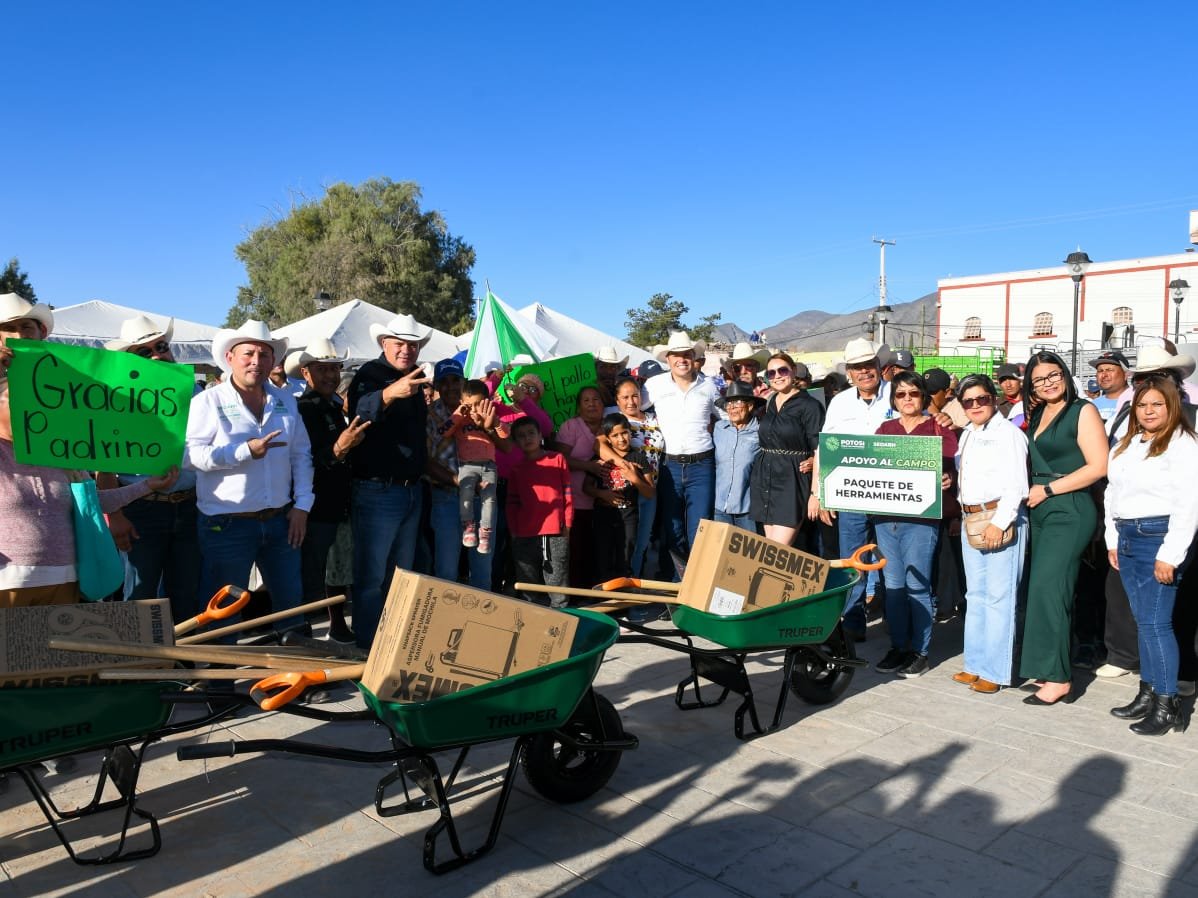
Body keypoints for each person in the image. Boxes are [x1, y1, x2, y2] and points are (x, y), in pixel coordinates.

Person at [0, 295, 180, 607]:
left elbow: (88, 500)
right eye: (7, 329)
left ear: (42, 333)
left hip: (66, 575)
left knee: (60, 657)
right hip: (8, 579)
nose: (18, 336)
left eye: (26, 326)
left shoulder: (67, 412)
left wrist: (146, 485)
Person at [185, 320, 313, 636]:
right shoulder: (207, 402)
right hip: (226, 523)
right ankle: (218, 682)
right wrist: (242, 452)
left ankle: (296, 680)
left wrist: (303, 505)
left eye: (264, 354)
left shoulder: (285, 401)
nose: (257, 361)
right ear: (230, 357)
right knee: (224, 610)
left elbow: (301, 454)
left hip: (279, 519)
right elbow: (189, 457)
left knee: (291, 605)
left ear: (273, 361)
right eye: (249, 353)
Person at [1104, 375, 1198, 735]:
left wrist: (1171, 554)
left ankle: (1167, 702)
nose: (1148, 410)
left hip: (1158, 537)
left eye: (1156, 404)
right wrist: (1113, 539)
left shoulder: (1183, 444)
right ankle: (1148, 690)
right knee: (1143, 621)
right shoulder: (1126, 445)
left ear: (1171, 405)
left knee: (1157, 623)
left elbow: (1188, 503)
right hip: (1127, 536)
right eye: (1142, 405)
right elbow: (1112, 494)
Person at [98, 314, 204, 622]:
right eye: (145, 352)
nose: (158, 354)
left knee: (185, 592)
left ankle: (182, 665)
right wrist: (114, 516)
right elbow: (104, 467)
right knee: (139, 594)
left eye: (161, 346)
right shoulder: (114, 401)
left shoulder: (196, 394)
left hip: (190, 506)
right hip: (140, 509)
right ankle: (139, 666)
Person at [1019, 350, 1108, 705]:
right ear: (1032, 386)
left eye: (1054, 374)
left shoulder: (1082, 410)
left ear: (1066, 374)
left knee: (1049, 588)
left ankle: (1059, 678)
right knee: (1042, 590)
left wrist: (1050, 489)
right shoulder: (1039, 412)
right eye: (1039, 379)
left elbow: (1099, 466)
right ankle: (1045, 666)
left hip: (1069, 507)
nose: (1048, 382)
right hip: (1041, 507)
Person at [346, 313, 432, 650]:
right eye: (399, 344)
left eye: (412, 345)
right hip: (378, 488)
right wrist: (390, 393)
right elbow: (359, 411)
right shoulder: (369, 374)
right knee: (371, 576)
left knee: (401, 574)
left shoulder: (418, 377)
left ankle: (392, 641)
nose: (406, 350)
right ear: (385, 344)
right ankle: (367, 644)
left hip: (409, 489)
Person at [871, 371, 958, 678]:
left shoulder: (937, 426)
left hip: (921, 520)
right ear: (893, 399)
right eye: (901, 394)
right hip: (886, 520)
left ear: (924, 396)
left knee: (917, 586)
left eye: (914, 394)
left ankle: (920, 651)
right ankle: (898, 646)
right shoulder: (885, 428)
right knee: (893, 587)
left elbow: (953, 457)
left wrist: (950, 477)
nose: (907, 399)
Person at [810, 338, 892, 641]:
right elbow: (825, 448)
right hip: (852, 497)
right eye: (857, 367)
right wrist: (820, 492)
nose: (864, 372)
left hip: (891, 497)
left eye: (869, 365)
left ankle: (893, 621)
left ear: (879, 366)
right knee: (852, 560)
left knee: (890, 561)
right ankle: (853, 621)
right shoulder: (841, 402)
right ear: (850, 373)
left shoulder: (898, 396)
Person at [952, 374, 1029, 693]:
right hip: (972, 518)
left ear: (993, 399)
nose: (975, 406)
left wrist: (1002, 521)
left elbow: (1017, 484)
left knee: (999, 597)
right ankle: (975, 663)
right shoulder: (967, 434)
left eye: (981, 398)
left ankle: (995, 671)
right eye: (968, 401)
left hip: (998, 517)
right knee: (976, 596)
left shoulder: (1008, 434)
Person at [294, 337, 369, 643]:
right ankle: (309, 640)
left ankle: (336, 628)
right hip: (316, 506)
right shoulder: (302, 409)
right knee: (313, 576)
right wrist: (341, 448)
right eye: (321, 368)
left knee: (337, 570)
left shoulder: (335, 406)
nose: (330, 375)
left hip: (340, 501)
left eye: (334, 368)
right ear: (305, 373)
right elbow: (308, 460)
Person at [645, 331, 719, 569]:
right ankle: (676, 582)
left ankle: (699, 579)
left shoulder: (709, 386)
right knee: (672, 526)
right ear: (667, 359)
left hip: (702, 464)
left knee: (701, 526)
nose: (682, 359)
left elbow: (727, 416)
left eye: (686, 354)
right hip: (670, 465)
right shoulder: (654, 385)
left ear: (693, 357)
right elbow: (631, 406)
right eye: (676, 355)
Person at [751, 352, 823, 548]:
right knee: (769, 549)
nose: (777, 376)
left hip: (792, 481)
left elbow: (819, 450)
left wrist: (815, 495)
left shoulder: (810, 405)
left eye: (782, 370)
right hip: (766, 480)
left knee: (776, 551)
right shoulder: (771, 402)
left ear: (793, 371)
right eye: (771, 373)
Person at [436, 379, 511, 554]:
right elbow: (444, 431)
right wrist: (458, 413)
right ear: (462, 403)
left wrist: (492, 424)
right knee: (466, 495)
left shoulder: (492, 417)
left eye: (478, 404)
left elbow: (506, 436)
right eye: (469, 405)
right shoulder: (460, 420)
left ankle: (485, 533)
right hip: (467, 465)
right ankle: (468, 527)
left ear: (488, 401)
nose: (474, 409)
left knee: (489, 499)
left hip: (488, 466)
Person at [506, 416, 573, 607]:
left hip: (555, 531)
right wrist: (513, 531)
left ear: (540, 435)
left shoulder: (557, 459)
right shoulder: (516, 469)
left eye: (531, 433)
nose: (527, 438)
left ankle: (561, 617)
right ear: (516, 442)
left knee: (557, 578)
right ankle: (533, 620)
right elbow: (512, 503)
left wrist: (567, 523)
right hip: (524, 532)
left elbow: (567, 493)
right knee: (528, 581)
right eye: (521, 436)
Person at [587, 413, 655, 581]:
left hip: (629, 516)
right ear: (608, 439)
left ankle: (623, 599)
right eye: (615, 435)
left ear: (630, 433)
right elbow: (586, 487)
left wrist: (634, 478)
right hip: (603, 515)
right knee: (603, 556)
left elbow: (650, 493)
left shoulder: (639, 458)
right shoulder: (601, 459)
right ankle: (604, 600)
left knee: (625, 556)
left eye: (624, 433)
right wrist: (602, 493)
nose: (621, 439)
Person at [556, 385, 611, 586]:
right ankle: (578, 593)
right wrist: (589, 466)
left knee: (601, 550)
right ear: (578, 406)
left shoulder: (610, 426)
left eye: (596, 400)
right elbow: (560, 459)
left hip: (605, 501)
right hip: (576, 500)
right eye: (586, 400)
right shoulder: (570, 427)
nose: (591, 404)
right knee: (578, 549)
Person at [610, 376, 665, 575]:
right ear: (617, 401)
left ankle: (638, 583)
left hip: (651, 487)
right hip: (628, 491)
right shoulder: (615, 419)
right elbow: (599, 443)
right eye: (625, 397)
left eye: (635, 396)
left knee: (643, 541)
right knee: (628, 542)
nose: (631, 401)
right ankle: (628, 586)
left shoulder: (654, 418)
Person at [713, 382, 763, 531]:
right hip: (719, 506)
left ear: (750, 405)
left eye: (737, 403)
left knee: (747, 553)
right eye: (729, 403)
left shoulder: (761, 431)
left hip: (748, 508)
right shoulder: (719, 428)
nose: (732, 408)